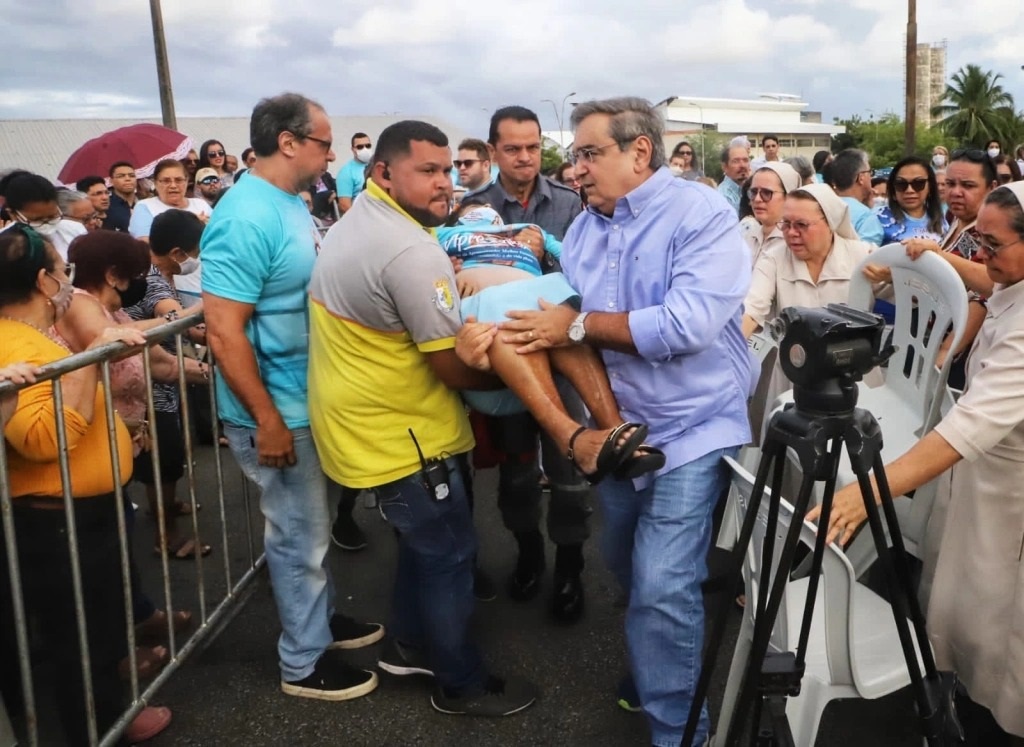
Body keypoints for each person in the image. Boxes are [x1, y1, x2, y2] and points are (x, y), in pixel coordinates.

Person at [495, 96, 753, 747]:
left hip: (695, 426)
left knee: (663, 584)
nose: (574, 169)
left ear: (640, 151)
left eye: (589, 154)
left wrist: (575, 321)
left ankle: (679, 730)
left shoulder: (702, 215)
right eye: (574, 155)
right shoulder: (584, 231)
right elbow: (569, 330)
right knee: (628, 566)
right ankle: (660, 659)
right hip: (618, 434)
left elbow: (687, 324)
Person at [307, 118, 539, 717]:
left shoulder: (358, 218)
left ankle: (408, 644)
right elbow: (453, 370)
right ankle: (459, 682)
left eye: (447, 170)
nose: (446, 186)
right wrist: (523, 374)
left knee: (422, 546)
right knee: (450, 554)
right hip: (401, 434)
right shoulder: (412, 250)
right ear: (382, 171)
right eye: (428, 172)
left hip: (365, 420)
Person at [810, 183, 1024, 746]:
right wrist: (937, 256)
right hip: (983, 481)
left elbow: (965, 428)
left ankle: (991, 726)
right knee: (964, 605)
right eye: (976, 236)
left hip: (1010, 496)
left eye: (992, 243)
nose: (981, 253)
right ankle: (961, 700)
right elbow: (983, 278)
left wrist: (866, 493)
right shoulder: (1012, 281)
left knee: (1001, 629)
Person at [202, 92, 382, 702]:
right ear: (287, 142)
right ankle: (302, 663)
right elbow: (224, 330)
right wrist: (266, 419)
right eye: (324, 142)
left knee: (314, 531)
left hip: (304, 405)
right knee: (297, 537)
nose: (333, 153)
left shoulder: (285, 204)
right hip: (277, 413)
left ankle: (320, 624)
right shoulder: (245, 215)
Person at [0, 225, 171, 745]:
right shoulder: (14, 345)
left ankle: (104, 715)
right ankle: (98, 727)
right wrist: (93, 356)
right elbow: (43, 438)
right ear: (43, 280)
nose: (69, 284)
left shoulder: (35, 337)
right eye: (63, 272)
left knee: (88, 626)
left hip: (78, 513)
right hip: (57, 519)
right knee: (80, 634)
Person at [466, 106, 592, 621]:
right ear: (493, 151)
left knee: (569, 471)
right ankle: (529, 554)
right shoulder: (470, 210)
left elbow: (589, 277)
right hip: (505, 366)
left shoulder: (568, 204)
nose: (524, 158)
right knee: (516, 474)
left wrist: (546, 255)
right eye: (513, 148)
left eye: (533, 147)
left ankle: (570, 566)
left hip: (563, 363)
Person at [128, 159, 210, 309]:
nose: (173, 185)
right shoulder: (145, 206)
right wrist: (192, 225)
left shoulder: (201, 204)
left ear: (187, 181)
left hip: (206, 282)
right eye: (166, 180)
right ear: (155, 182)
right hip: (172, 285)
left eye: (179, 180)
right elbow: (146, 244)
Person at [739, 162, 801, 268]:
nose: (757, 199)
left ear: (788, 196)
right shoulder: (749, 236)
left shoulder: (795, 244)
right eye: (753, 192)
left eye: (767, 193)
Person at [876, 156, 947, 244]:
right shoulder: (878, 218)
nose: (910, 190)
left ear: (930, 187)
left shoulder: (942, 219)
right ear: (893, 189)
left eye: (918, 183)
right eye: (901, 184)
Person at [337, 132, 372, 213]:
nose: (365, 149)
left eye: (368, 146)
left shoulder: (377, 166)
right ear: (353, 149)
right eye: (360, 147)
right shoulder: (346, 172)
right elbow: (344, 205)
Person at [104, 161, 138, 232]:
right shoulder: (106, 206)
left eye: (132, 175)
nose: (127, 179)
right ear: (111, 181)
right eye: (121, 176)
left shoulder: (145, 203)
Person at [718, 144, 751, 213]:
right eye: (736, 161)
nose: (742, 165)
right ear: (724, 167)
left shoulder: (751, 190)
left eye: (745, 160)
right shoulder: (723, 196)